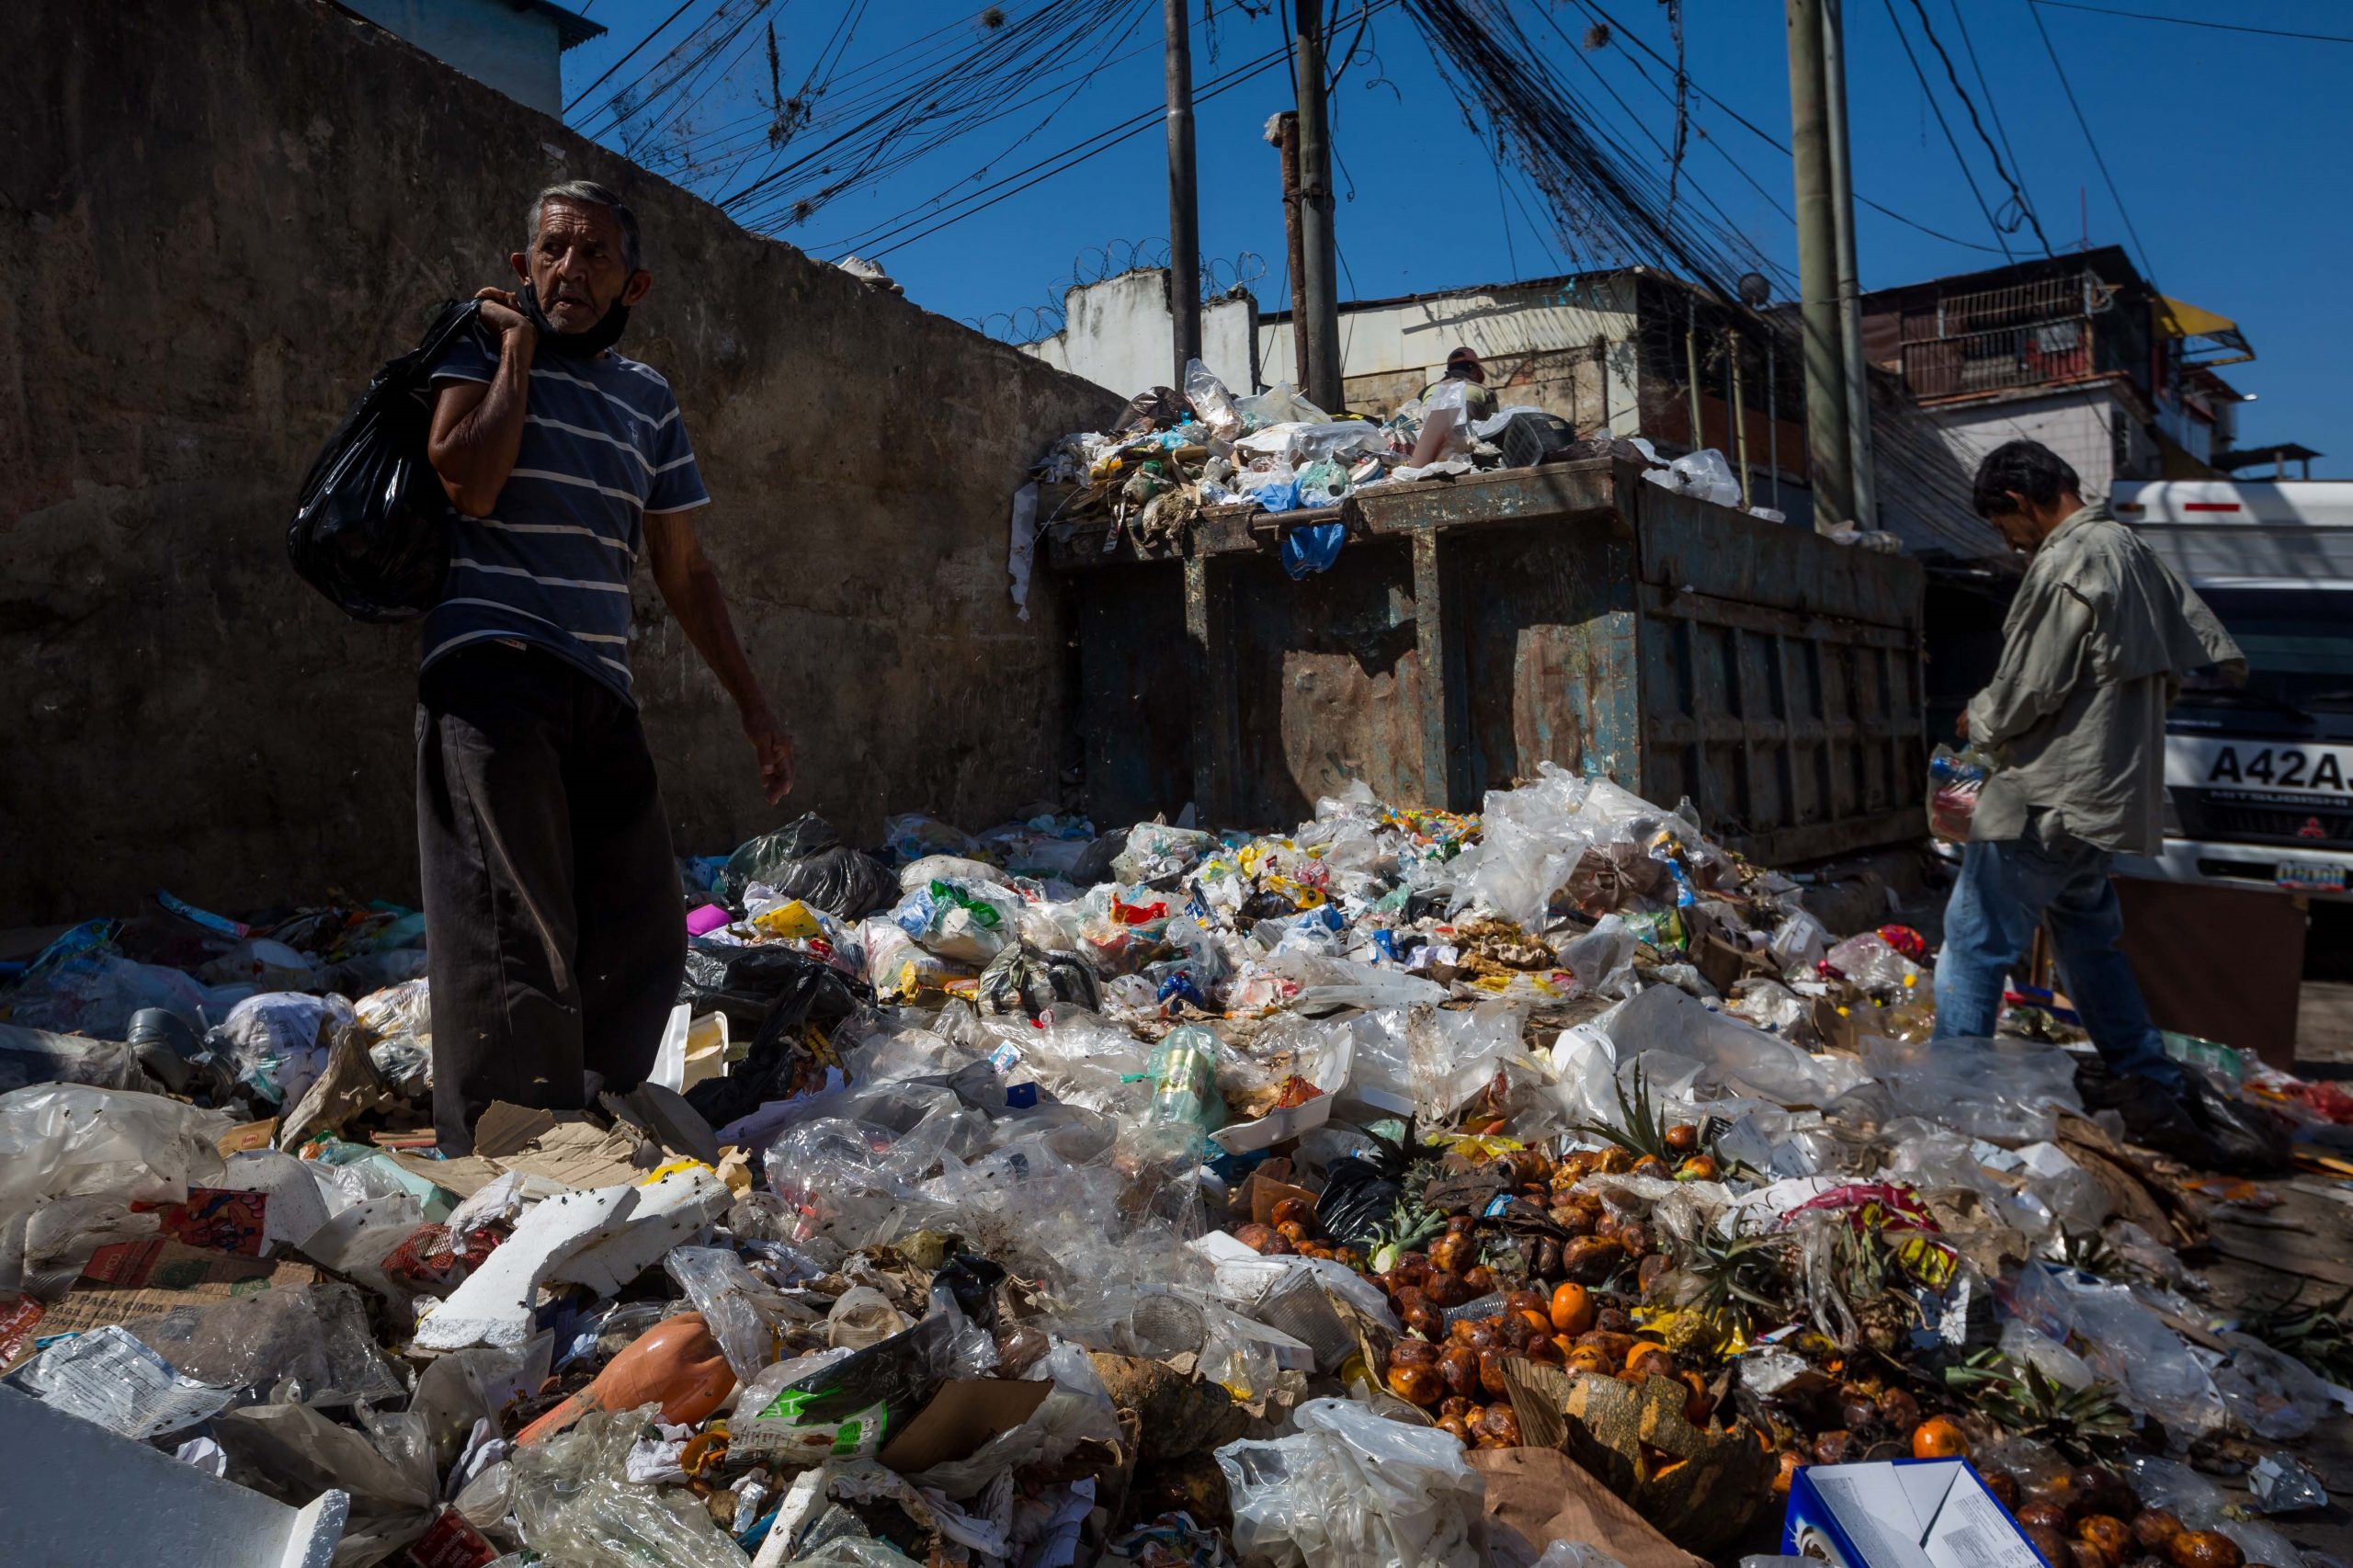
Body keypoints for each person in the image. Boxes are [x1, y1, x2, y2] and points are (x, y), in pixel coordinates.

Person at [417, 179, 793, 1153]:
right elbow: (469, 478)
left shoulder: (647, 399)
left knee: (643, 930)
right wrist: (514, 352)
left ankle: (585, 1115)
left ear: (634, 283)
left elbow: (683, 567)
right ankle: (499, 1156)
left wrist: (755, 708)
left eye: (592, 256)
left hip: (598, 685)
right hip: (490, 670)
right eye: (551, 250)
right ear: (522, 264)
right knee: (512, 929)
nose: (568, 270)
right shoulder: (478, 347)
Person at [1931, 439, 2245, 1164]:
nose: (2007, 541)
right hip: (2104, 796)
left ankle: (1952, 1100)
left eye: (2002, 525)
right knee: (2088, 941)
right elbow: (2186, 652)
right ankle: (2148, 1074)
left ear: (2019, 501)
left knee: (1976, 943)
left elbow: (2031, 687)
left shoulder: (2073, 559)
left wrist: (1978, 718)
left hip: (2048, 795)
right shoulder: (2132, 552)